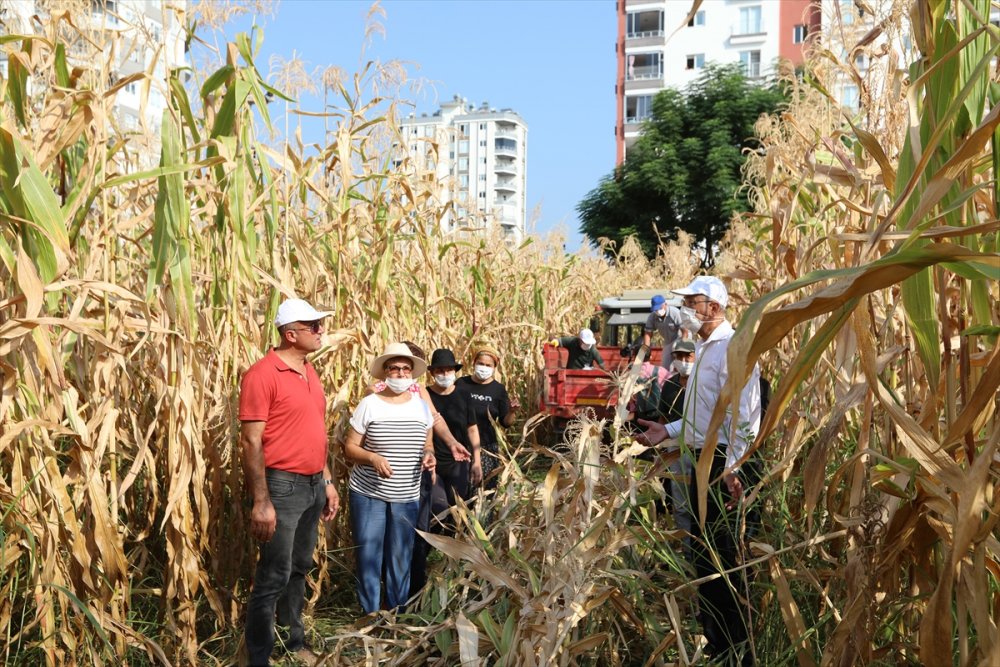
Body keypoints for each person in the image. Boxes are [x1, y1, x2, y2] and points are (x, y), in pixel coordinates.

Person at [637, 276, 761, 666]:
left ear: (715, 307)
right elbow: (704, 415)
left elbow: (746, 415)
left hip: (724, 466)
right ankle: (717, 642)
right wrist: (668, 431)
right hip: (705, 460)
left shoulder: (734, 347)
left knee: (727, 559)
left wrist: (734, 467)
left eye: (693, 302)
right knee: (706, 556)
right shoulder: (706, 348)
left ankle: (739, 648)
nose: (686, 308)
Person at [239, 298, 341, 666]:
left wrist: (327, 480)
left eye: (319, 324)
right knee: (273, 575)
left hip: (313, 486)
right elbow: (251, 441)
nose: (320, 330)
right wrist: (261, 501)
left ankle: (293, 644)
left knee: (298, 568)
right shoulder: (262, 375)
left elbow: (315, 432)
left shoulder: (309, 371)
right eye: (313, 326)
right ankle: (259, 657)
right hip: (281, 487)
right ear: (291, 333)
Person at [343, 343, 435, 614]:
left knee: (400, 557)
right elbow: (350, 448)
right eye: (394, 368)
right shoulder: (369, 404)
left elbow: (428, 442)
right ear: (385, 372)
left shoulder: (421, 407)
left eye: (406, 369)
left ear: (412, 374)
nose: (401, 374)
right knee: (369, 555)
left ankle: (396, 614)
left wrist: (429, 454)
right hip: (368, 494)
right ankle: (370, 615)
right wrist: (372, 458)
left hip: (406, 494)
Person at [410, 348, 482, 596]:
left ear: (455, 371)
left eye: (448, 370)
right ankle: (428, 556)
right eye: (439, 370)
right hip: (431, 464)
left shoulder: (463, 395)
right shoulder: (423, 394)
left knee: (458, 512)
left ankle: (453, 563)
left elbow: (472, 428)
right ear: (431, 372)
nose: (444, 374)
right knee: (438, 509)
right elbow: (433, 420)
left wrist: (476, 460)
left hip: (457, 461)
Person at [456, 347, 519, 490]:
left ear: (494, 367)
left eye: (488, 365)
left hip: (487, 448)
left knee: (485, 490)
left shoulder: (498, 390)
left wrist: (512, 411)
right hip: (461, 446)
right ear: (474, 363)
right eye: (481, 363)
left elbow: (506, 423)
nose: (484, 367)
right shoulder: (461, 384)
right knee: (462, 490)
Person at [642, 294, 684, 367]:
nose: (658, 311)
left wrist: (682, 346)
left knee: (680, 365)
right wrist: (645, 350)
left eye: (660, 308)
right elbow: (648, 334)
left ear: (665, 304)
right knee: (665, 365)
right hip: (668, 342)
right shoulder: (652, 317)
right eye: (656, 309)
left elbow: (685, 331)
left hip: (681, 339)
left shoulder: (675, 313)